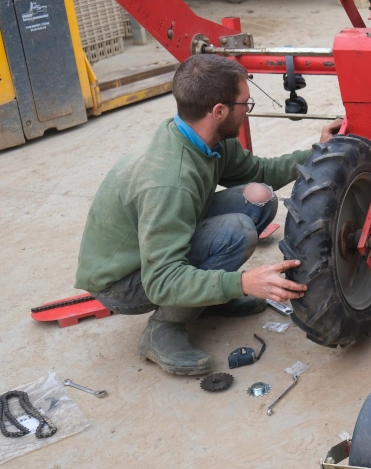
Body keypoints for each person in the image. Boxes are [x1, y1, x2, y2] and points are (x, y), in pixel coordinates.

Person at [75, 55, 341, 375]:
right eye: (245, 103)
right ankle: (163, 330)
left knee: (259, 197)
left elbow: (259, 171)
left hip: (151, 252)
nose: (247, 110)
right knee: (238, 231)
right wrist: (242, 283)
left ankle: (207, 298)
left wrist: (319, 151)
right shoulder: (170, 181)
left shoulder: (204, 137)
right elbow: (161, 281)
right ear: (219, 111)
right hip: (123, 281)